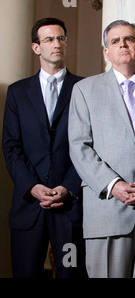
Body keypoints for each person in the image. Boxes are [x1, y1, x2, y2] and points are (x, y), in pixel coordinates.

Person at [68, 20, 135, 278]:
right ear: (106, 52)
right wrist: (113, 184)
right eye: (115, 41)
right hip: (105, 210)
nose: (123, 45)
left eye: (129, 39)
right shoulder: (84, 90)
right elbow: (79, 146)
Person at [2, 17, 86, 278]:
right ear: (36, 47)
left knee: (72, 274)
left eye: (61, 38)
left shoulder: (85, 89)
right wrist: (32, 186)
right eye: (49, 39)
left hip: (70, 207)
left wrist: (68, 187)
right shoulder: (17, 92)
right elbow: (11, 147)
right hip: (29, 206)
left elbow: (89, 147)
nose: (56, 44)